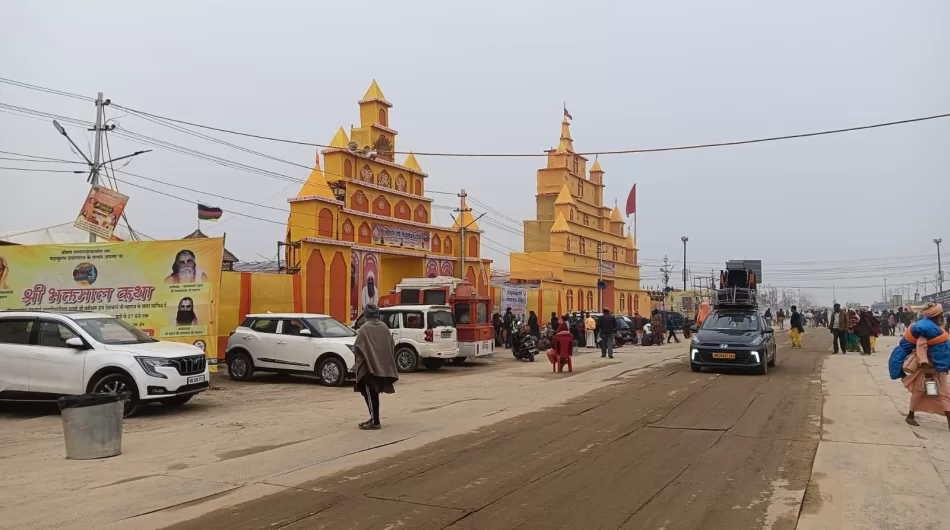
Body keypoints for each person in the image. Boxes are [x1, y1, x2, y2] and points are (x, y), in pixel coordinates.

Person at [889, 302, 950, 430]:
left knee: (941, 393)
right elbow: (921, 348)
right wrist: (925, 365)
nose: (942, 317)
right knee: (921, 391)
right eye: (941, 315)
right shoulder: (926, 330)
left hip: (939, 370)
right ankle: (910, 415)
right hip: (927, 370)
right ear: (935, 316)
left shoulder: (937, 328)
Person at [352, 304, 399, 430]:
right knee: (371, 392)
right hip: (382, 366)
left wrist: (359, 361)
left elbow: (357, 348)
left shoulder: (364, 328)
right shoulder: (384, 327)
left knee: (369, 391)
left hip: (368, 367)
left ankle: (375, 421)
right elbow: (391, 345)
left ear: (366, 315)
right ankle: (373, 417)